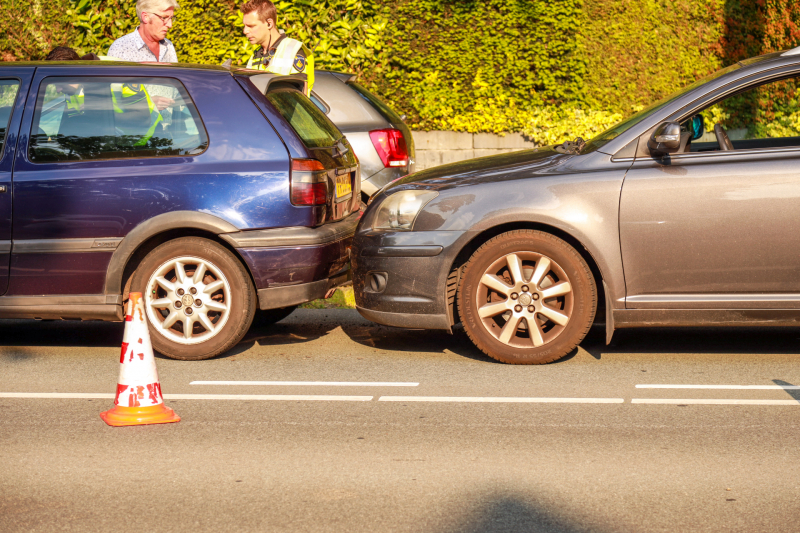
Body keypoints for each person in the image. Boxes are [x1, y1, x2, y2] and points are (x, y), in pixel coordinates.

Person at [241, 0, 315, 95]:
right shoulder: (256, 54)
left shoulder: (293, 49)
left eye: (251, 26)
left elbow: (299, 98)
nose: (245, 31)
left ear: (269, 24)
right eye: (245, 26)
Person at [108, 0, 180, 63]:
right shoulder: (121, 48)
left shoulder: (168, 46)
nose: (170, 25)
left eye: (171, 18)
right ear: (145, 17)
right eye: (164, 18)